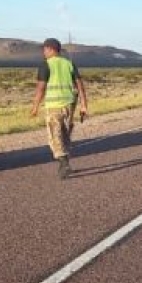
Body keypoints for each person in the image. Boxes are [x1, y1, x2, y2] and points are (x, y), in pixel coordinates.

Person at [30, 37, 89, 179]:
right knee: (65, 134)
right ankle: (65, 162)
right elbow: (79, 85)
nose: (43, 52)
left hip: (53, 106)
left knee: (54, 136)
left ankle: (63, 163)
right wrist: (83, 104)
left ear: (51, 49)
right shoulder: (69, 63)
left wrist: (35, 106)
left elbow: (41, 88)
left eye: (45, 49)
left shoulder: (46, 64)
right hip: (69, 104)